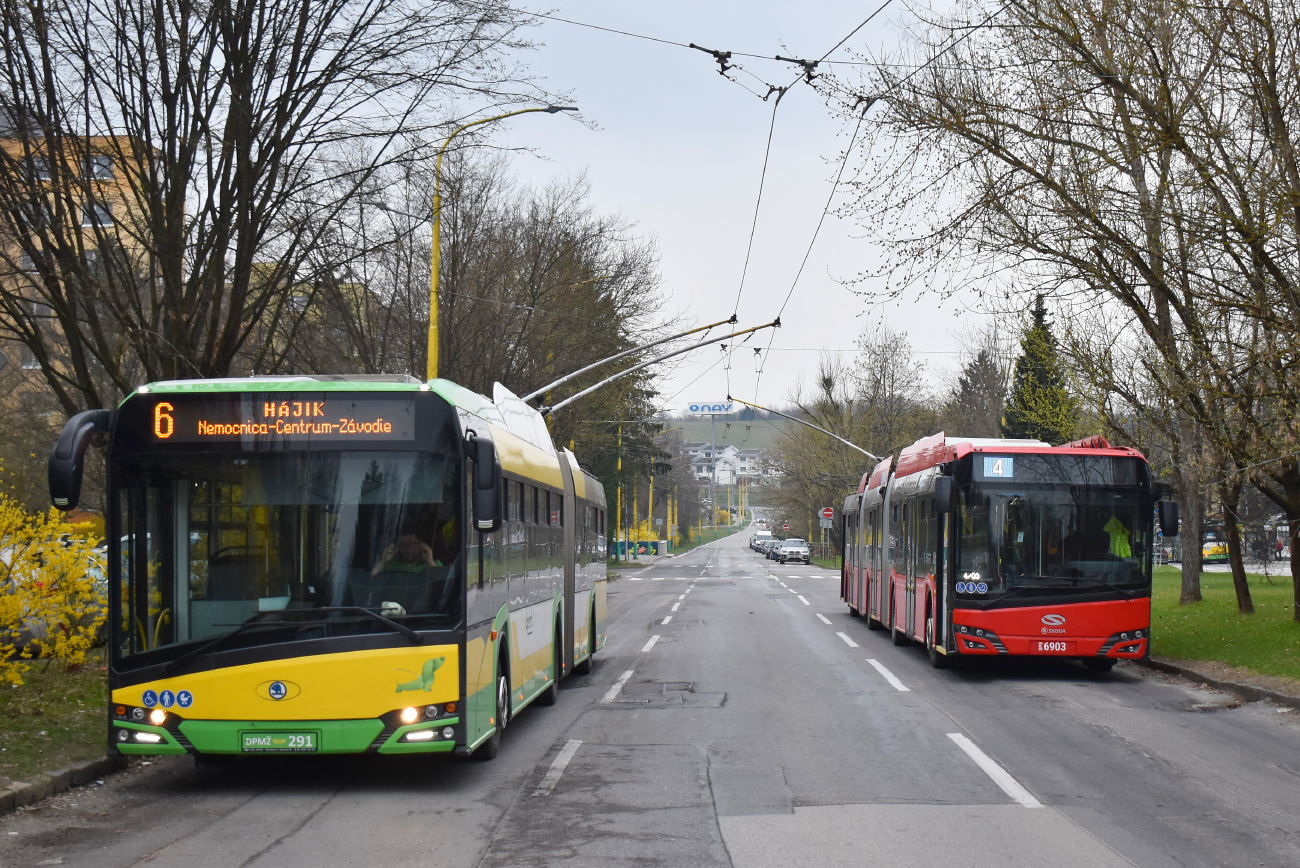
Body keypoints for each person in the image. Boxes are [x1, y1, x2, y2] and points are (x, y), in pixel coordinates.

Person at [371, 532, 442, 575]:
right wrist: (383, 561)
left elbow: (441, 585)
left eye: (412, 544)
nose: (407, 548)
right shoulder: (390, 563)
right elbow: (371, 580)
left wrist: (430, 561)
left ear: (421, 545)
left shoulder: (434, 564)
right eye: (403, 544)